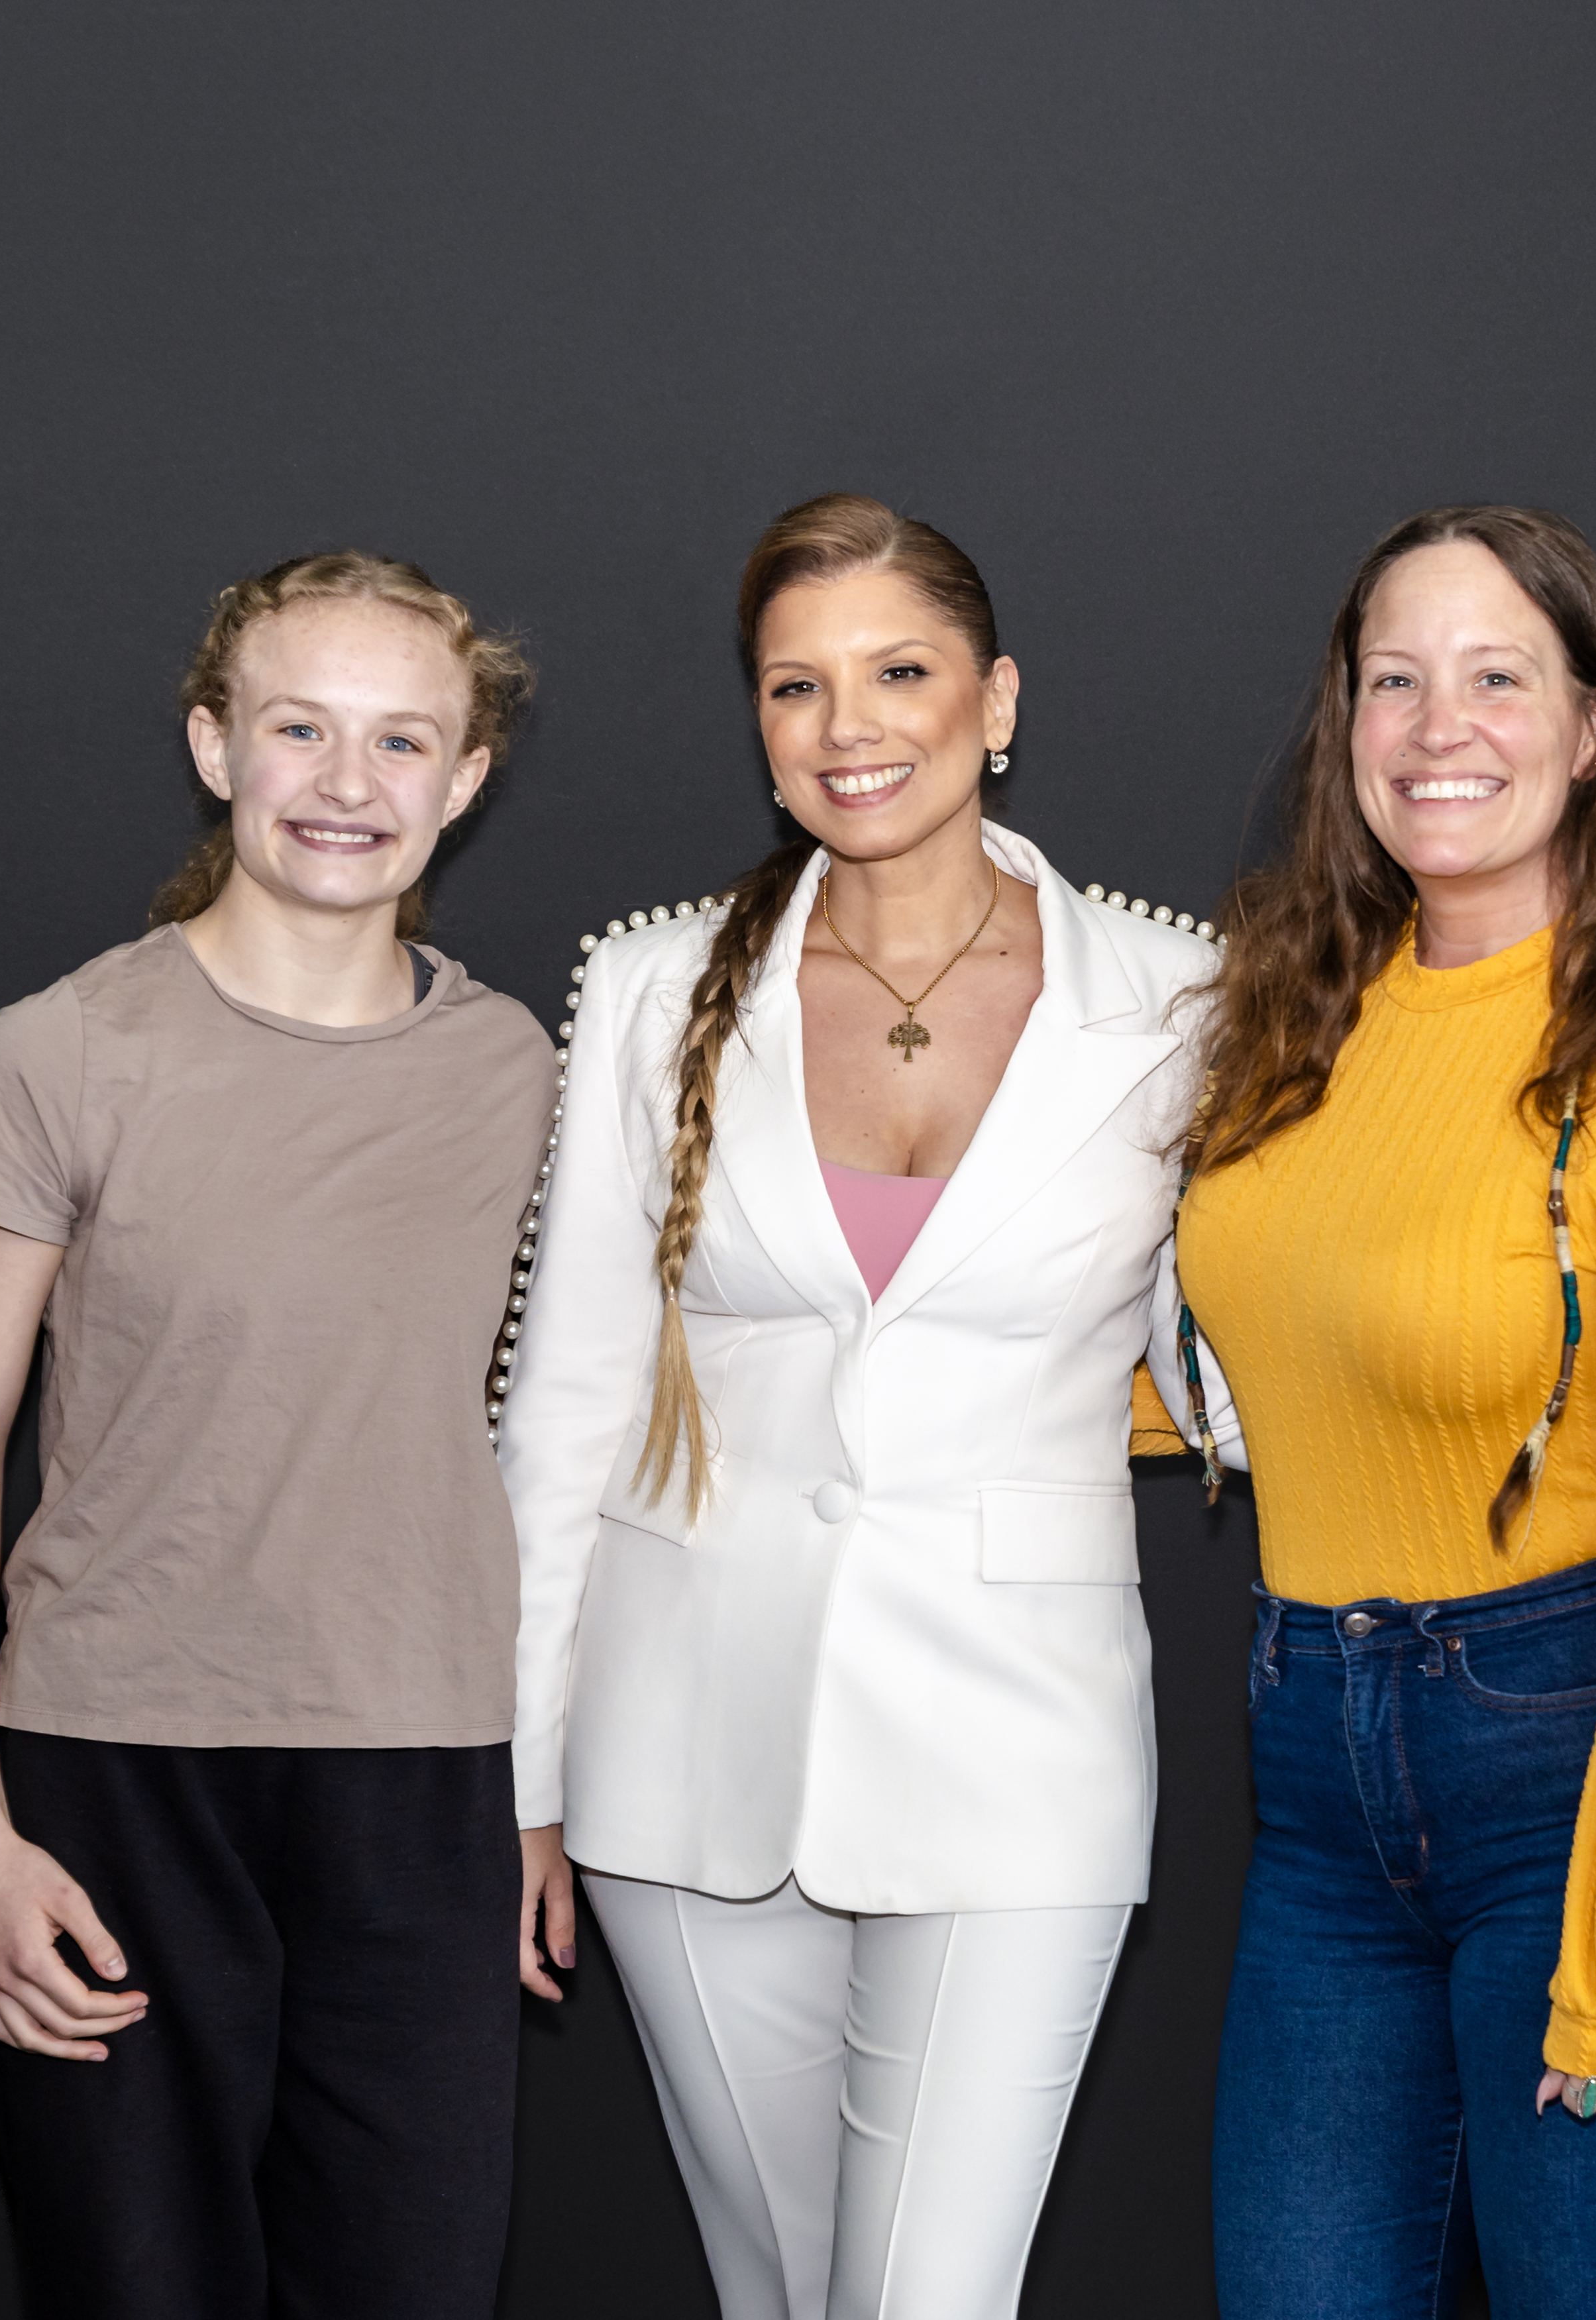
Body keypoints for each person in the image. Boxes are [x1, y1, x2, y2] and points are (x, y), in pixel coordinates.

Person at [498, 493, 1222, 2320]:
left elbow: (1239, 1360)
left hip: (1020, 1755)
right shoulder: (652, 985)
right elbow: (568, 1402)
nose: (848, 727)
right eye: (795, 686)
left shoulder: (1189, 998)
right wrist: (517, 1776)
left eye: (899, 672)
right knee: (777, 2295)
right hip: (678, 1750)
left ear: (996, 701)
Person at [1175, 507, 1596, 2317]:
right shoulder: (1288, 1026)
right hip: (1319, 1798)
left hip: (1574, 1791)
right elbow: (1243, 1345)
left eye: (1496, 678)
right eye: (1394, 680)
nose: (1436, 727)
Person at [0, 553, 555, 2317]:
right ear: (213, 745)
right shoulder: (60, 1053)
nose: (349, 782)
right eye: (299, 729)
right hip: (116, 1779)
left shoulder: (519, 1073)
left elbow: (575, 1432)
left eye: (401, 740)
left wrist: (540, 1799)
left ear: (465, 778)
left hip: (421, 1783)